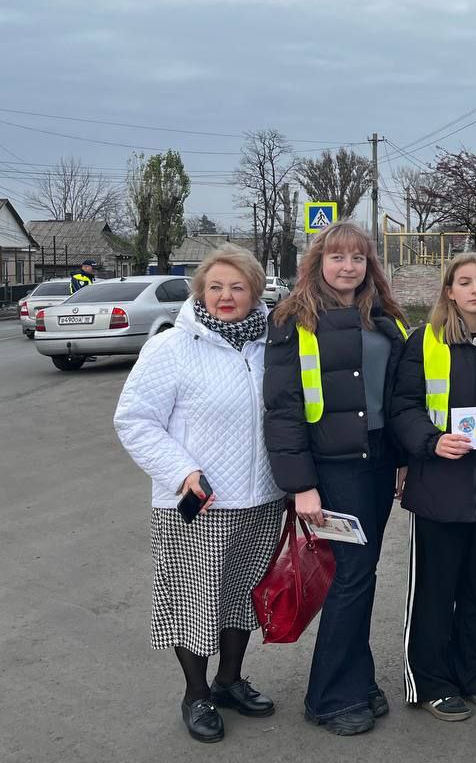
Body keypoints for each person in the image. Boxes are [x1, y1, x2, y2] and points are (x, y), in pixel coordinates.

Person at [114, 244, 283, 744]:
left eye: (237, 287)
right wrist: (181, 471)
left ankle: (229, 682)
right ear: (200, 292)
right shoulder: (172, 346)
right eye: (215, 287)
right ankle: (196, 693)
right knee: (195, 602)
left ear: (256, 291)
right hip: (197, 504)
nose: (226, 296)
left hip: (261, 499)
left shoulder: (272, 345)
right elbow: (135, 420)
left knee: (240, 599)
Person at [263, 221, 408, 737]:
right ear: (317, 262)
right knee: (350, 575)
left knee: (362, 574)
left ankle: (358, 674)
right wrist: (301, 484)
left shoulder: (385, 317)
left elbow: (398, 398)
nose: (348, 267)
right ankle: (328, 696)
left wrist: (406, 458)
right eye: (337, 258)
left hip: (378, 464)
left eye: (358, 259)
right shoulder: (292, 319)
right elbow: (282, 410)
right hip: (332, 469)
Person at [390, 252, 476, 723]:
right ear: (449, 290)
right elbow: (403, 407)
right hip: (437, 489)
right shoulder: (422, 341)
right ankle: (431, 682)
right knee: (434, 592)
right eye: (464, 282)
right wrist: (431, 441)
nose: (474, 289)